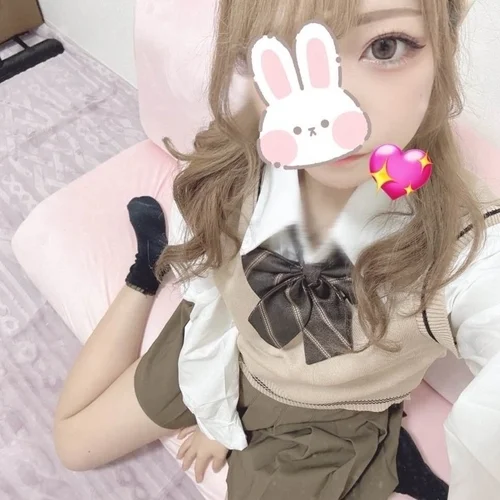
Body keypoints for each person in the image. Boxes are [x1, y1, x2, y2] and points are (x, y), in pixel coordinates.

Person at [53, 0, 500, 499]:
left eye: (384, 47)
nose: (334, 106)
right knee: (73, 445)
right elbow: (214, 277)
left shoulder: (462, 242)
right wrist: (215, 407)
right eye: (286, 52)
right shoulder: (251, 152)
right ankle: (147, 268)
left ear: (443, 46)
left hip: (323, 423)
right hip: (218, 342)